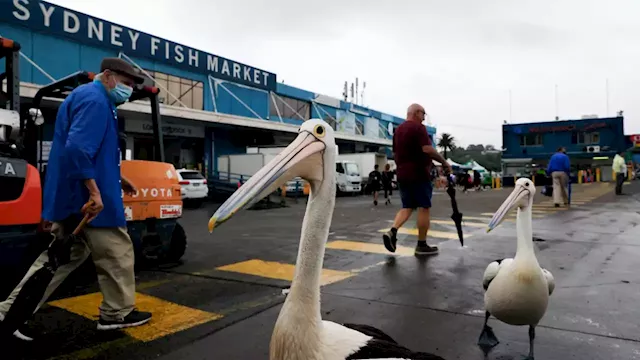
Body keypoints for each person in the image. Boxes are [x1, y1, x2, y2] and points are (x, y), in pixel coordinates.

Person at [0, 58, 152, 341]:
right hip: (90, 204)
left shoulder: (87, 97)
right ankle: (115, 314)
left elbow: (91, 152)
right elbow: (78, 149)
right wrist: (95, 191)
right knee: (117, 254)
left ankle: (9, 313)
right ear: (108, 76)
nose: (129, 90)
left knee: (58, 258)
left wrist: (118, 178)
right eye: (126, 83)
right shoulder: (96, 101)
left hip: (71, 196)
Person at [382, 103, 452, 256]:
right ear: (416, 113)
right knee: (423, 207)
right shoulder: (418, 128)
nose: (424, 118)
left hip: (402, 174)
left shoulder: (398, 130)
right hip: (419, 174)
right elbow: (427, 149)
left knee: (407, 206)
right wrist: (444, 162)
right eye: (423, 114)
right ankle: (422, 244)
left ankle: (392, 231)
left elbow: (397, 153)